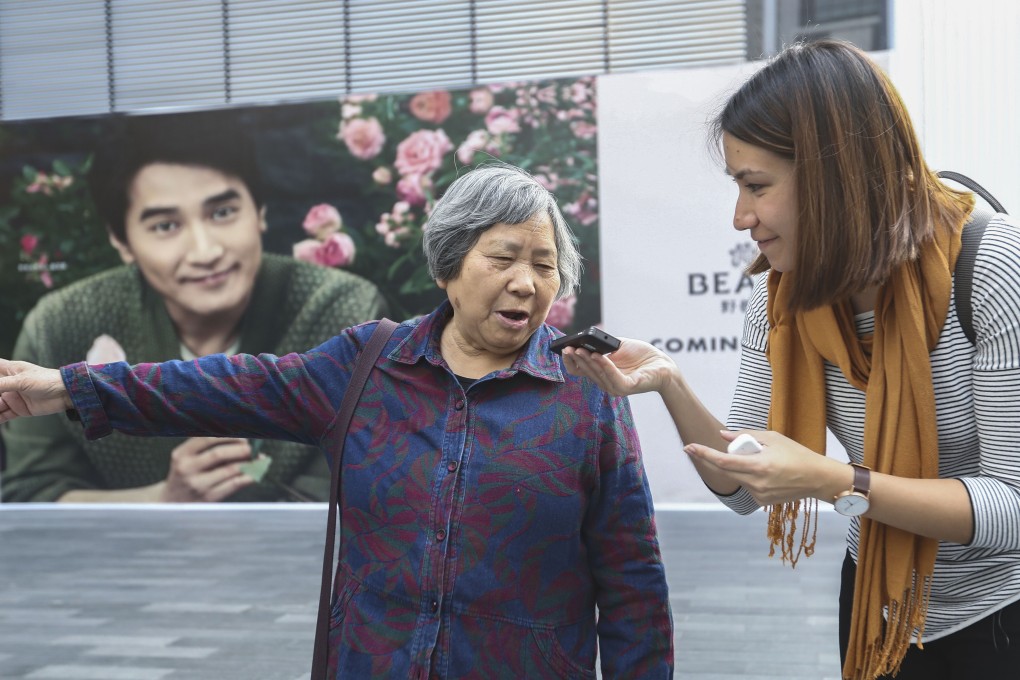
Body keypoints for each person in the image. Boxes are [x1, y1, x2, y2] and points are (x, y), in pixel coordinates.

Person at [0, 163, 674, 678]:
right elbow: (225, 386)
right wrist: (66, 386)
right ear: (449, 267)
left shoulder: (586, 393)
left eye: (544, 264)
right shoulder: (370, 366)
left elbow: (633, 581)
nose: (526, 281)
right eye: (502, 258)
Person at [565, 39, 1020, 680]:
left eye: (756, 185)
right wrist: (668, 381)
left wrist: (839, 483)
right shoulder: (779, 294)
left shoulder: (993, 267)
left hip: (996, 618)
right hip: (872, 606)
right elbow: (740, 487)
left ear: (839, 176)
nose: (739, 217)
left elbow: (1014, 505)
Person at [0, 111, 388, 503]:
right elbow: (31, 496)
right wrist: (166, 500)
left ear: (260, 212)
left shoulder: (342, 312)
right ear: (121, 241)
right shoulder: (61, 324)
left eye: (222, 213)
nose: (206, 251)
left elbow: (354, 492)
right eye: (165, 226)